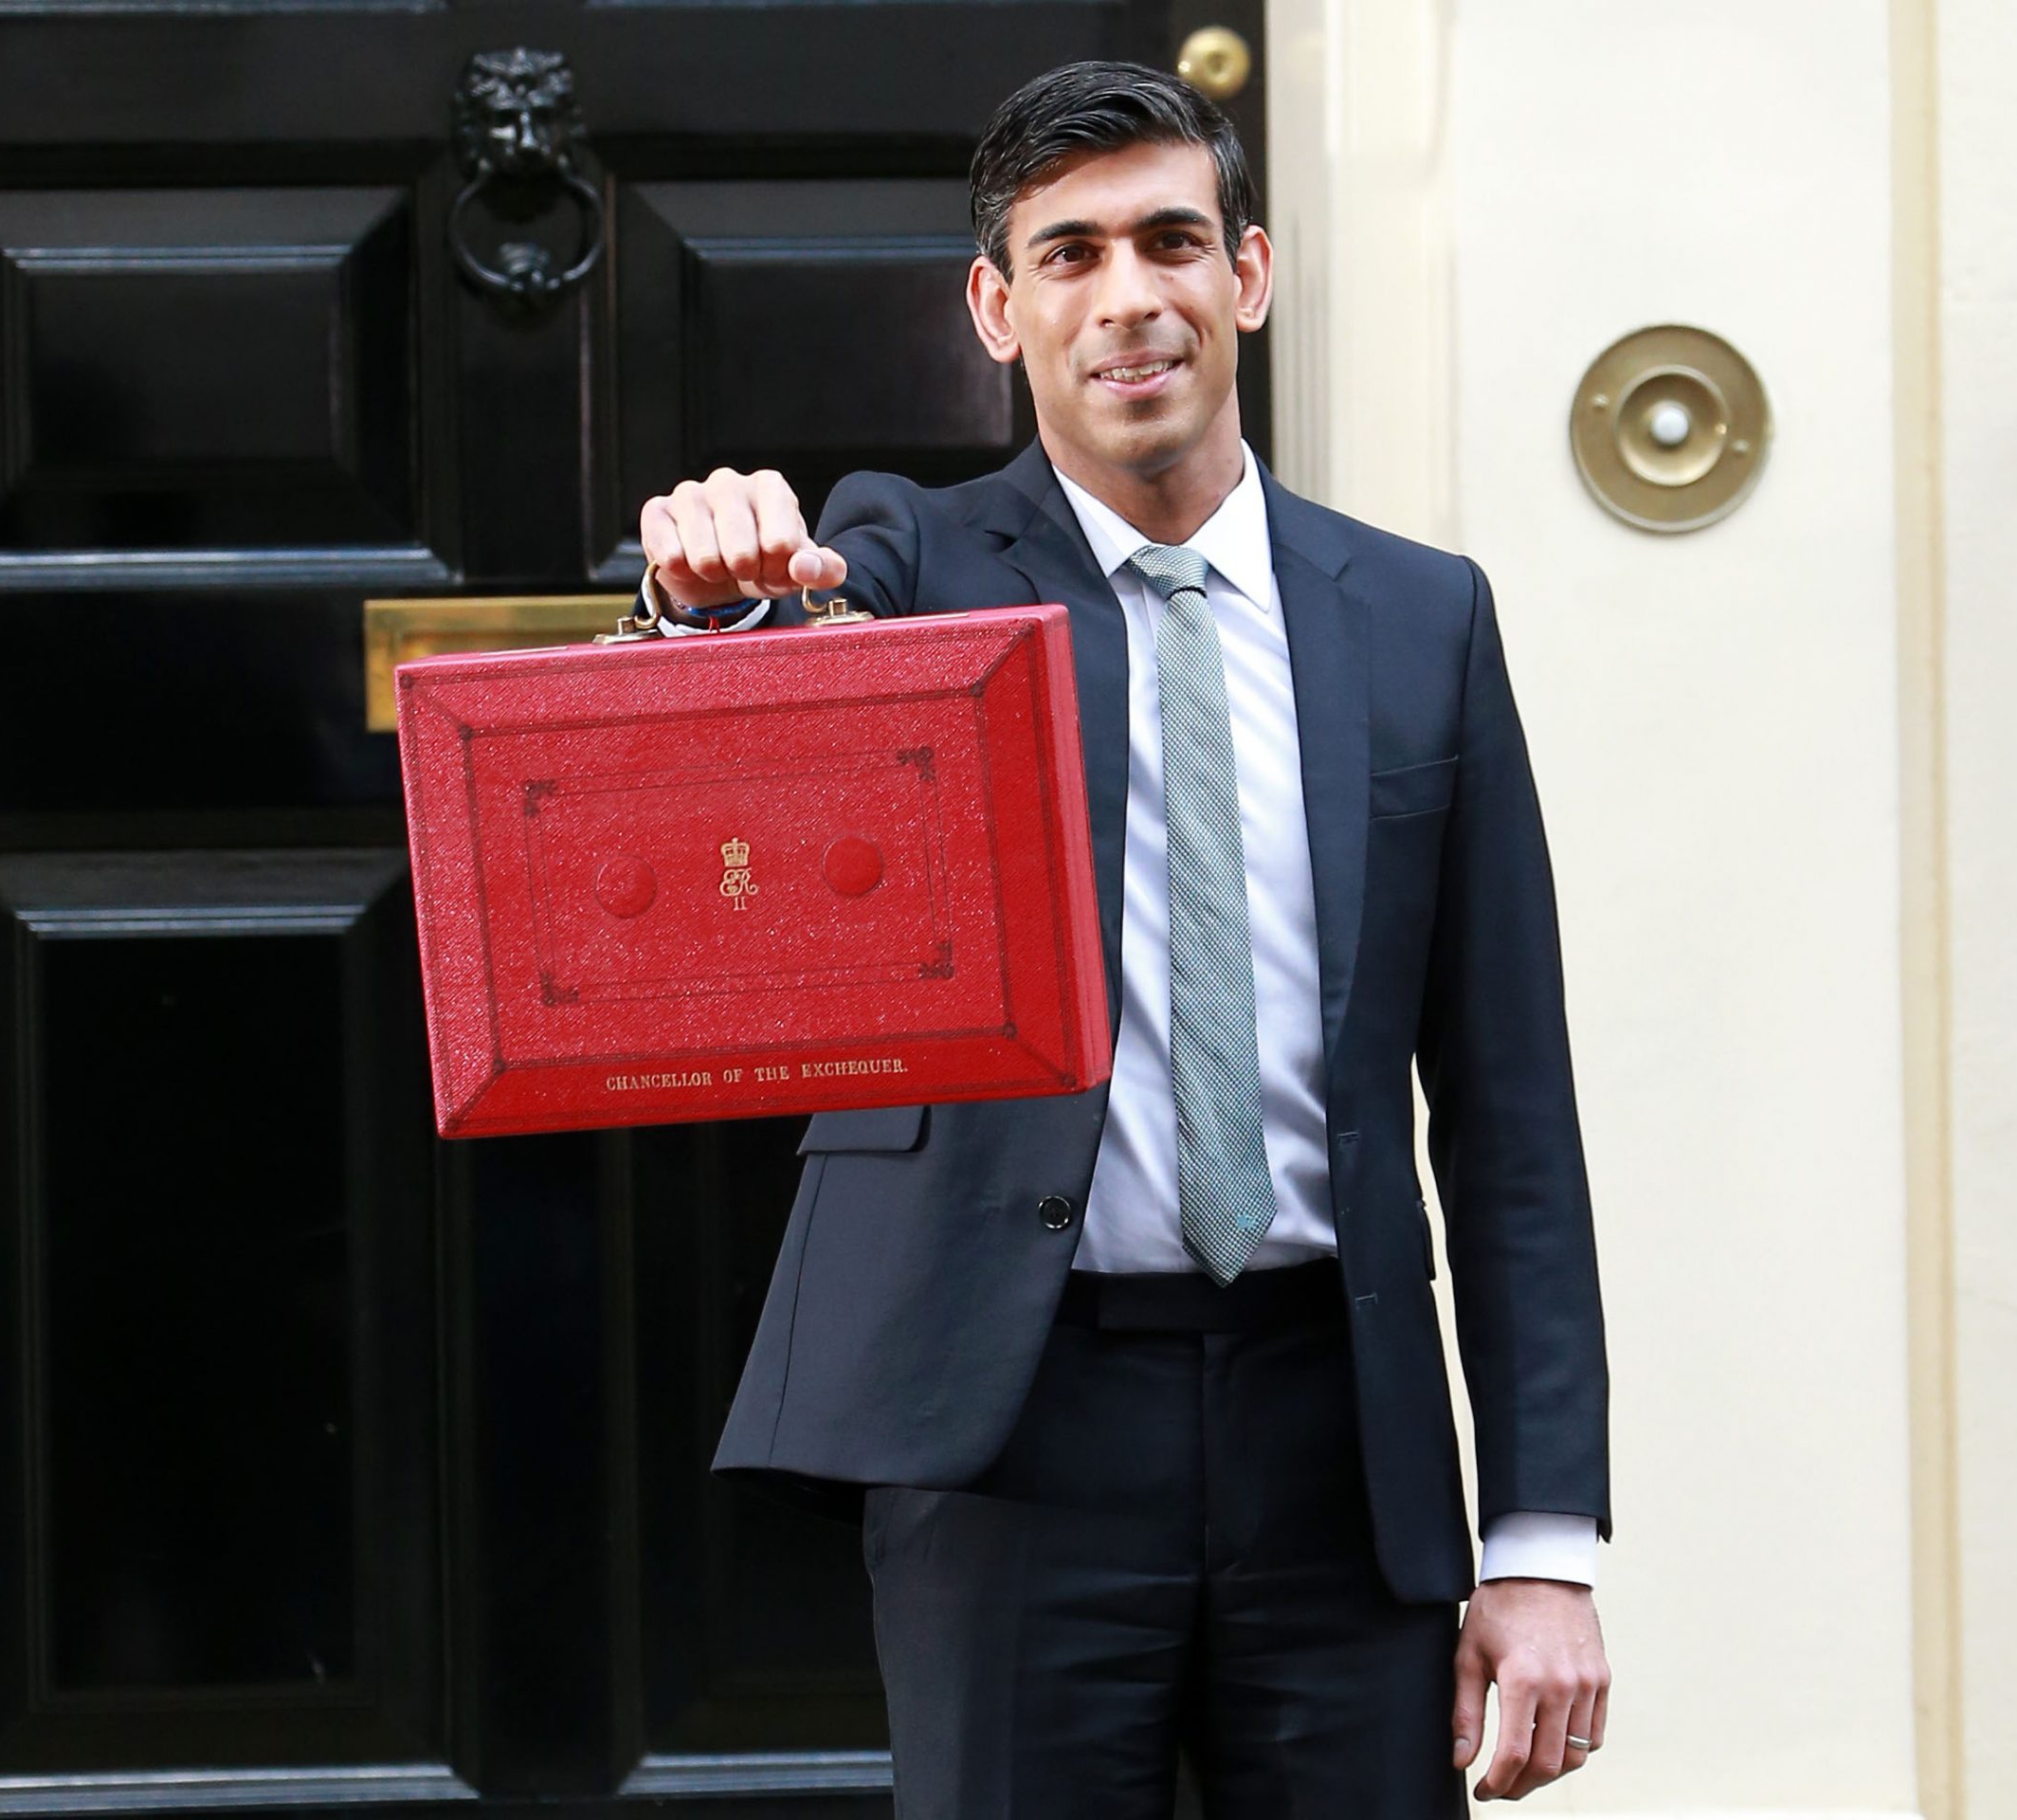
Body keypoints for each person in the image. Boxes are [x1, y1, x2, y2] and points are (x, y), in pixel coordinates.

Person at [635, 59, 1611, 1817]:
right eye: (1069, 256)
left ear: (1247, 273)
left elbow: (1511, 1112)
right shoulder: (915, 568)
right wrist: (709, 587)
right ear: (998, 312)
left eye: (1169, 241)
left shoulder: (1417, 616)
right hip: (1019, 1433)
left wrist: (1542, 1540)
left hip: (1343, 1430)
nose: (1129, 298)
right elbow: (733, 694)